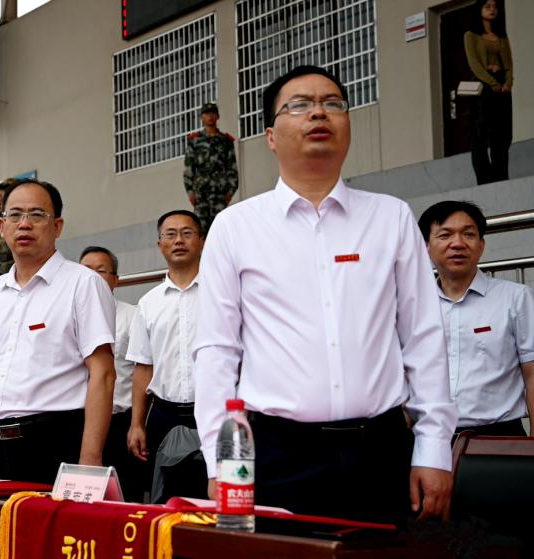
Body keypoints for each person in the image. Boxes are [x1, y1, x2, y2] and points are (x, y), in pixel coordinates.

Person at [192, 65, 456, 525]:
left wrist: (434, 448)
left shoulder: (390, 218)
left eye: (333, 103)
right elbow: (217, 350)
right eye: (300, 105)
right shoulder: (235, 227)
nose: (319, 113)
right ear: (271, 136)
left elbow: (423, 338)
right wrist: (222, 462)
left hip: (381, 449)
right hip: (278, 454)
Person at [0, 180, 117, 485]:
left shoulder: (83, 284)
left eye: (36, 215)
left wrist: (89, 459)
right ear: (2, 227)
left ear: (57, 226)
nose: (24, 224)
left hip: (54, 441)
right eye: (15, 215)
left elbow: (103, 374)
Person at [419, 200, 533, 437]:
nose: (457, 243)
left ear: (481, 245)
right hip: (428, 437)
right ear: (425, 246)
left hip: (498, 437)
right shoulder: (414, 305)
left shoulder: (516, 298)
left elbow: (532, 374)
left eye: (468, 234)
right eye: (445, 235)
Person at [126, 210, 207, 502]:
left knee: (217, 500)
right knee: (166, 503)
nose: (178, 240)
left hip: (214, 413)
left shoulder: (222, 293)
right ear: (160, 244)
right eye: (170, 234)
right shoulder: (148, 303)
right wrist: (137, 423)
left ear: (202, 241)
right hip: (164, 416)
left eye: (187, 233)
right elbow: (143, 367)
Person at [79, 245, 145, 502]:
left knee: (123, 500)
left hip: (119, 422)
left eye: (101, 271)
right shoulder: (67, 314)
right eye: (86, 271)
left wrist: (137, 423)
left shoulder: (132, 316)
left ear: (116, 280)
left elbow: (142, 371)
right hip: (76, 421)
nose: (93, 277)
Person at [464, 0, 513, 185]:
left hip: (502, 86)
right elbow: (474, 64)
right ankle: (485, 179)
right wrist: (491, 82)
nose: (492, 10)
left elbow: (509, 64)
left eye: (495, 7)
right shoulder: (471, 35)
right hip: (483, 85)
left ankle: (501, 176)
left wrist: (508, 82)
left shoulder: (501, 36)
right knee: (480, 132)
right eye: (488, 6)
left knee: (503, 132)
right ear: (479, 10)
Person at [183, 102, 238, 233]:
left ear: (218, 116)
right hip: (200, 193)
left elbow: (232, 168)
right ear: (201, 117)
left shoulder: (225, 140)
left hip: (220, 193)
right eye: (207, 114)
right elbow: (188, 169)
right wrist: (190, 193)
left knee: (219, 229)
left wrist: (230, 192)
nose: (210, 116)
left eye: (213, 113)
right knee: (200, 231)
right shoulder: (195, 140)